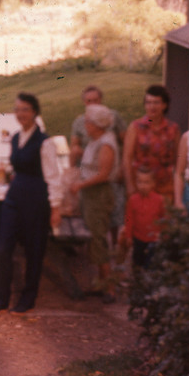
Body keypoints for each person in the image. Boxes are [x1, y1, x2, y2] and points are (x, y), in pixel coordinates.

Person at [0, 93, 63, 317]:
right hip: (14, 198)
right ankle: (1, 299)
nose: (21, 114)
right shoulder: (16, 137)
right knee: (3, 248)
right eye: (18, 109)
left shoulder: (45, 142)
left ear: (35, 112)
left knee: (34, 250)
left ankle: (28, 298)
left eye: (25, 109)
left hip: (36, 200)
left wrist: (55, 208)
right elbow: (16, 167)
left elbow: (53, 177)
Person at [69, 104, 120, 304]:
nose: (85, 124)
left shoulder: (106, 143)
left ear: (97, 124)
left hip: (98, 195)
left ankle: (110, 287)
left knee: (98, 239)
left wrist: (80, 185)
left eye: (88, 121)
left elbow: (104, 174)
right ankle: (100, 282)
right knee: (94, 237)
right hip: (90, 195)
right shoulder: (95, 140)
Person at [69, 84, 127, 242]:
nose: (93, 104)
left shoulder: (112, 117)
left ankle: (113, 245)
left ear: (101, 99)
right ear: (84, 103)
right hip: (88, 171)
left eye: (96, 100)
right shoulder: (80, 121)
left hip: (108, 170)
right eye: (89, 101)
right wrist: (80, 153)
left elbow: (125, 141)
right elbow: (74, 144)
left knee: (114, 212)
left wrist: (123, 166)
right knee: (93, 215)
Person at [122, 84, 181, 205]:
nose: (152, 106)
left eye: (156, 102)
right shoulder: (136, 127)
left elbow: (177, 160)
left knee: (165, 221)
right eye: (148, 102)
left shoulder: (173, 129)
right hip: (142, 186)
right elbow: (127, 159)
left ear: (164, 105)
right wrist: (130, 187)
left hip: (166, 187)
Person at [118, 166, 166, 303]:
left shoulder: (159, 200)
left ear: (153, 184)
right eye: (140, 182)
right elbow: (129, 219)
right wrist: (128, 236)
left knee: (151, 265)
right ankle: (137, 292)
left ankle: (150, 292)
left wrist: (162, 234)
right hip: (138, 238)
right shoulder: (133, 200)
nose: (143, 186)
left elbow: (164, 218)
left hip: (153, 239)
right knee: (137, 264)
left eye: (146, 182)